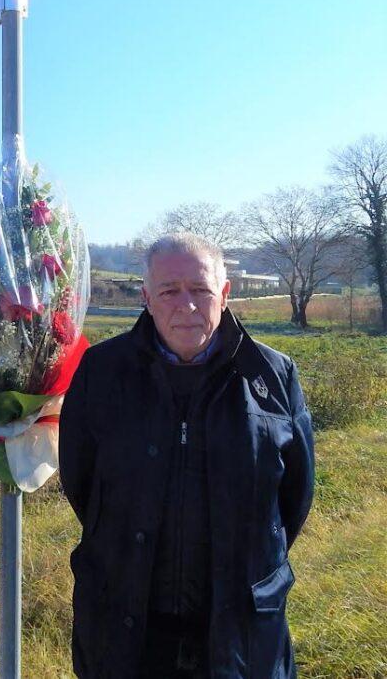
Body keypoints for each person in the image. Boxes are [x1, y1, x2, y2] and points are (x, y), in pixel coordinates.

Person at [60, 233, 314, 678]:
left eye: (200, 290)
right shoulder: (101, 372)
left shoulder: (273, 376)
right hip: (127, 632)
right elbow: (81, 483)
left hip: (241, 634)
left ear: (225, 294)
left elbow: (294, 499)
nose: (187, 305)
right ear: (146, 298)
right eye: (169, 291)